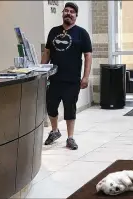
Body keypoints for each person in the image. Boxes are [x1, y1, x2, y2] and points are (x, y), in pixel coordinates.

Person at [41, 2, 92, 150]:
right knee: (51, 106)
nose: (68, 13)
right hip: (54, 78)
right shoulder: (53, 31)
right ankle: (55, 131)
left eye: (72, 12)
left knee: (70, 108)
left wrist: (86, 76)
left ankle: (70, 138)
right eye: (66, 11)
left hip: (72, 80)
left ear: (76, 16)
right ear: (62, 13)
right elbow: (47, 53)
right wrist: (41, 70)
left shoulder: (81, 33)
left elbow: (88, 56)